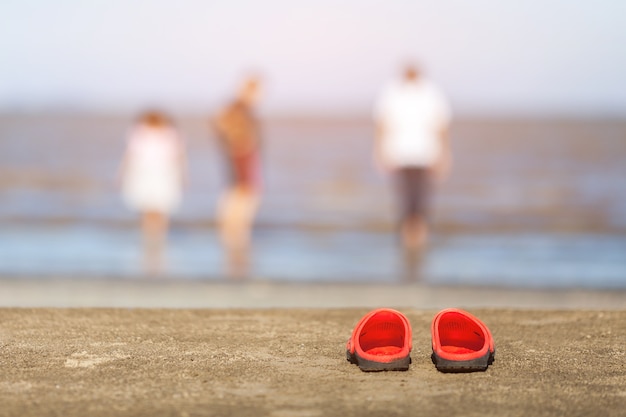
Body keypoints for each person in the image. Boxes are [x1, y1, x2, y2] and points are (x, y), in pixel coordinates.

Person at [374, 64, 452, 253]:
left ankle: (413, 240)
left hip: (420, 154)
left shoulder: (426, 92)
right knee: (412, 199)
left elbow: (441, 126)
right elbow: (383, 125)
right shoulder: (399, 92)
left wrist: (444, 154)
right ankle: (413, 240)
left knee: (415, 199)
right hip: (406, 155)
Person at [120, 111, 187, 275]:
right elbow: (180, 157)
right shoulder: (167, 133)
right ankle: (157, 239)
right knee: (158, 209)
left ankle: (150, 238)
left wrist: (122, 172)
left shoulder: (143, 132)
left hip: (152, 173)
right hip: (158, 174)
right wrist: (183, 174)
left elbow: (129, 155)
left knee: (150, 209)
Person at [212, 77, 262, 277]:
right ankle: (235, 259)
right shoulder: (238, 109)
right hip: (242, 169)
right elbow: (220, 121)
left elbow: (218, 121)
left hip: (243, 168)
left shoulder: (242, 109)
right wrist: (239, 139)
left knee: (236, 214)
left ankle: (234, 257)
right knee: (238, 216)